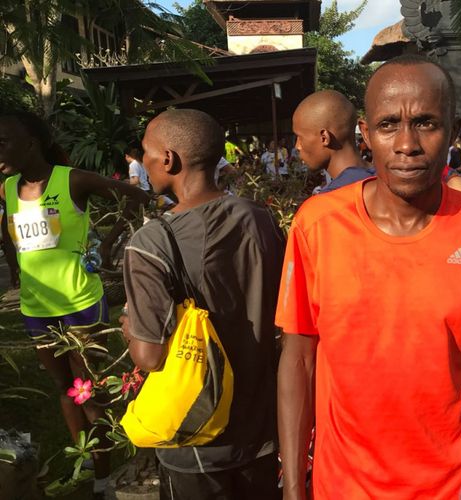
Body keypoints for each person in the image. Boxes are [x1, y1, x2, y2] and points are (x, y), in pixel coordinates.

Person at [276, 55, 461, 499]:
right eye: (389, 124)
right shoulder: (316, 224)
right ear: (366, 135)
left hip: (457, 482)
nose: (407, 144)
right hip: (345, 484)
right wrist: (294, 487)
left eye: (426, 123)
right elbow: (299, 358)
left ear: (453, 129)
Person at [120, 109, 284, 499]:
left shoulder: (152, 242)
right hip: (262, 426)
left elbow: (150, 356)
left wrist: (128, 325)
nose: (143, 162)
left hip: (196, 439)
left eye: (146, 152)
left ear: (168, 160)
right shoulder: (260, 218)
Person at [0, 111, 149, 498]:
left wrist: (109, 242)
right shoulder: (8, 187)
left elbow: (135, 197)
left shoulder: (73, 180)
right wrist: (16, 265)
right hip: (37, 308)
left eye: (3, 142)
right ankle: (86, 457)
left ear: (30, 143)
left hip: (80, 303)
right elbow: (11, 227)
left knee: (89, 390)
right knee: (64, 387)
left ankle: (103, 477)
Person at [292, 90, 374, 193]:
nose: (297, 146)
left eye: (300, 137)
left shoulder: (326, 204)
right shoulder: (387, 180)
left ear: (324, 138)